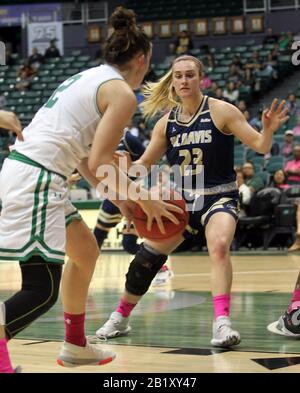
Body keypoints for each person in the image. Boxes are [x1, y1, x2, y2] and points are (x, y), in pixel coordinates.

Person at [0, 7, 181, 373]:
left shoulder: (89, 78)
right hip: (36, 180)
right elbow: (99, 161)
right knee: (41, 290)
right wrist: (143, 197)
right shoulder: (122, 94)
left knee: (85, 251)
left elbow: (86, 161)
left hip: (35, 175)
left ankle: (75, 345)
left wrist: (125, 201)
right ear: (142, 59)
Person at [95, 55, 288, 347]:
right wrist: (117, 168)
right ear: (173, 81)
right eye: (179, 76)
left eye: (189, 75)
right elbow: (144, 164)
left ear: (200, 78)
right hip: (182, 200)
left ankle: (221, 323)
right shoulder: (165, 124)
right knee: (145, 261)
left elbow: (261, 145)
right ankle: (120, 317)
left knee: (220, 246)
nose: (184, 81)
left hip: (218, 196)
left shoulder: (222, 111)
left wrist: (269, 129)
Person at [93, 131, 174, 286]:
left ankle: (161, 268)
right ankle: (84, 274)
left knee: (129, 244)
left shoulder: (127, 138)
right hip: (113, 197)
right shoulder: (95, 139)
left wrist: (137, 182)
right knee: (97, 239)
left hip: (134, 194)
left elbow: (149, 164)